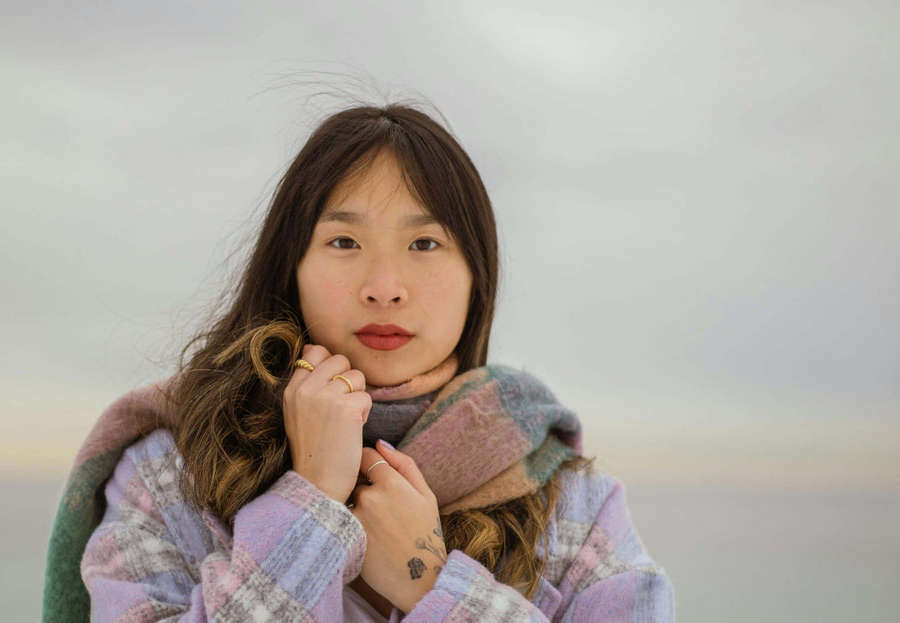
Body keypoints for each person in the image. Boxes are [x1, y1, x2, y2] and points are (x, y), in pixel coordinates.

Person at [43, 103, 675, 622]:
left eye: (424, 243)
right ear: (289, 270)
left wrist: (431, 587)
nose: (384, 285)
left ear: (477, 280)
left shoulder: (571, 501)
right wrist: (311, 501)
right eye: (343, 241)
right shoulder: (170, 469)